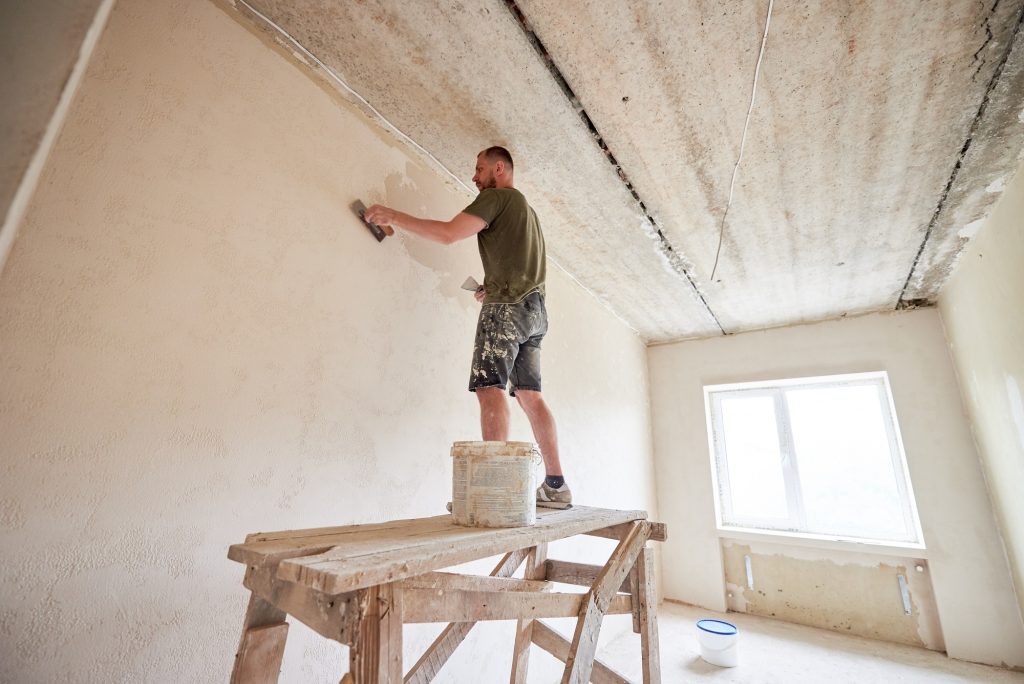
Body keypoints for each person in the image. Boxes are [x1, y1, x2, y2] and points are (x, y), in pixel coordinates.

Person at [365, 146, 571, 508]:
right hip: (535, 312)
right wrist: (493, 286)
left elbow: (448, 234)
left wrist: (392, 214)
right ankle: (556, 486)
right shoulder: (528, 212)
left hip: (507, 309)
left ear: (499, 168)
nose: (474, 177)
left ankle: (495, 492)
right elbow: (519, 265)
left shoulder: (496, 197)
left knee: (489, 387)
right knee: (530, 396)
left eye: (479, 169)